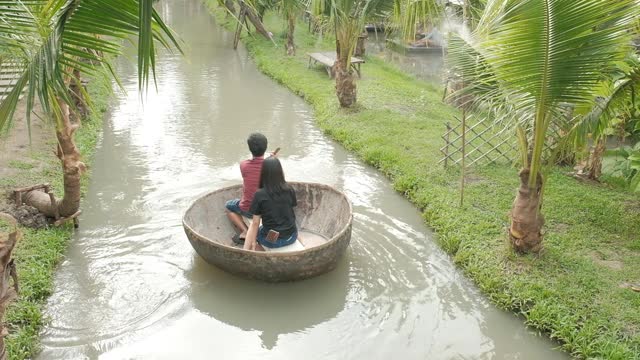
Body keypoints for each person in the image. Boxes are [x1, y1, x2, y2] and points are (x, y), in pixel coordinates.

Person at [244, 157, 298, 251]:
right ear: (280, 172)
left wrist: (254, 242)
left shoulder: (259, 194)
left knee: (254, 227)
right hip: (291, 236)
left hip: (273, 241)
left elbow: (256, 223)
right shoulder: (289, 189)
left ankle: (247, 250)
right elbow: (292, 208)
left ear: (263, 173)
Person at [225, 133, 269, 244]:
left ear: (250, 149)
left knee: (229, 206)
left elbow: (256, 164)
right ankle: (248, 232)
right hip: (268, 209)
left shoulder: (243, 165)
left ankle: (245, 231)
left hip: (248, 209)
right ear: (266, 147)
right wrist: (271, 158)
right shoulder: (272, 166)